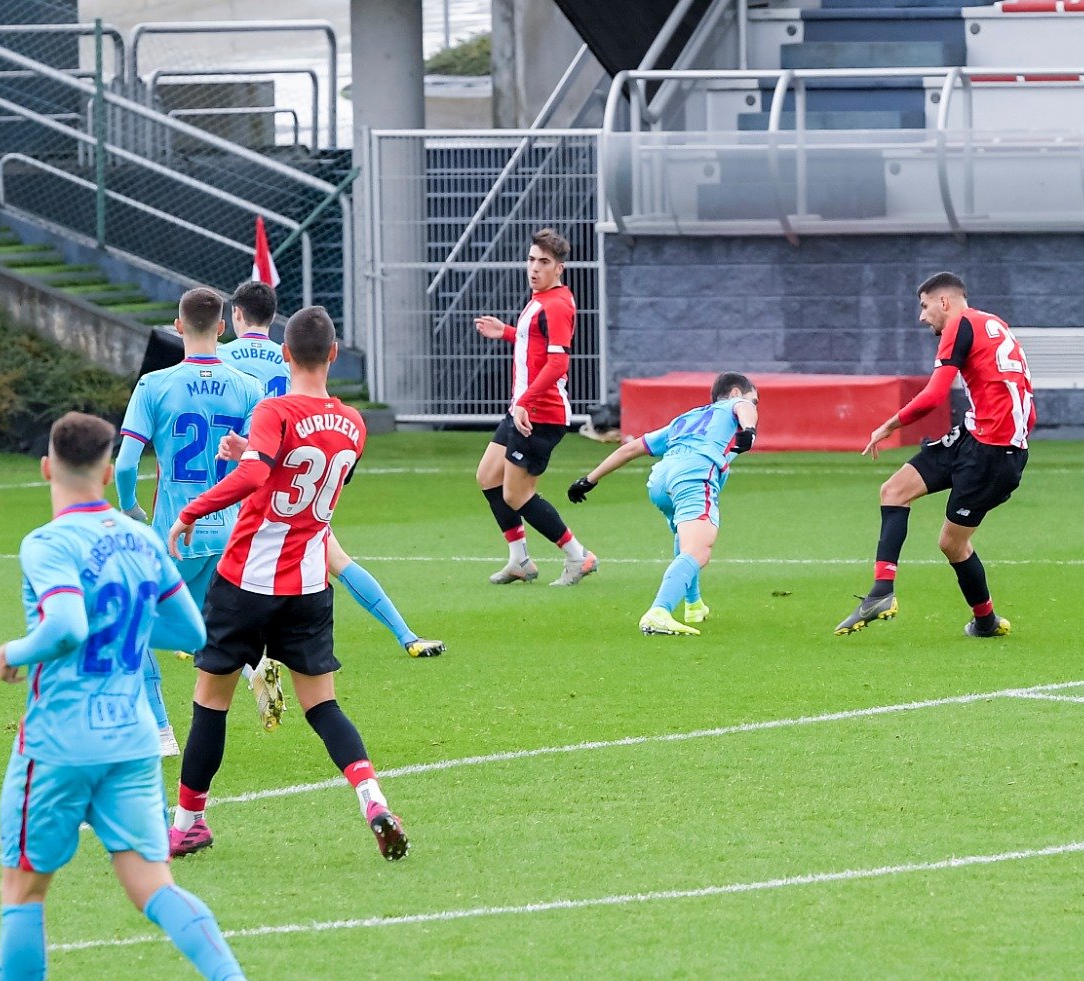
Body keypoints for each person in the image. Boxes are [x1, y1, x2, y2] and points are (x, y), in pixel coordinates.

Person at [0, 412, 285, 981]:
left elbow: (68, 624)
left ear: (48, 468)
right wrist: (129, 626)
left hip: (60, 742)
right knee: (152, 885)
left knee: (23, 891)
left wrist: (14, 652)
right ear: (109, 472)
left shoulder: (47, 543)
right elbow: (190, 629)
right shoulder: (137, 537)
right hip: (132, 737)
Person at [165, 307, 409, 862]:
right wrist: (249, 455)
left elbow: (258, 476)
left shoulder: (274, 408)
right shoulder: (355, 423)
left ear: (283, 353)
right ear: (332, 355)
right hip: (308, 583)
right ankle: (372, 799)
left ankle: (188, 823)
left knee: (210, 702)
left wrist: (191, 513)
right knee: (322, 707)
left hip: (247, 578)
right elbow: (307, 470)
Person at [222, 279, 444, 659]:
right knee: (335, 559)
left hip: (245, 479)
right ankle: (406, 635)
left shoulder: (221, 358)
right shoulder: (293, 355)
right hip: (297, 475)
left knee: (226, 577)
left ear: (236, 315)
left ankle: (236, 661)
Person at [835, 272, 1034, 638]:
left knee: (951, 543)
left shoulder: (959, 323)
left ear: (944, 302)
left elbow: (934, 394)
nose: (922, 316)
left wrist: (889, 425)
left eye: (925, 306)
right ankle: (881, 592)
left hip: (993, 454)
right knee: (893, 490)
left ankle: (986, 622)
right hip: (977, 437)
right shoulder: (992, 323)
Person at [114, 287, 268, 754]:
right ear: (221, 328)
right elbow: (259, 462)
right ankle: (252, 665)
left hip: (177, 534)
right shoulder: (248, 386)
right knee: (205, 625)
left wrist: (130, 508)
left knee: (130, 624)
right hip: (231, 532)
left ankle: (160, 729)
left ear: (178, 326)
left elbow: (124, 464)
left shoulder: (155, 385)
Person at [567, 373, 759, 636]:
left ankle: (694, 604)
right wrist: (750, 429)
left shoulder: (686, 419)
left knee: (685, 537)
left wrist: (589, 479)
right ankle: (659, 611)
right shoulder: (734, 406)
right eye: (754, 400)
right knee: (699, 550)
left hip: (660, 480)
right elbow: (744, 407)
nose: (754, 407)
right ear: (736, 392)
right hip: (692, 477)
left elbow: (630, 449)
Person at [471, 228, 598, 587]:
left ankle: (578, 556)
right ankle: (520, 561)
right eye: (531, 259)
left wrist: (525, 402)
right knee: (487, 476)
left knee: (516, 493)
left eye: (544, 262)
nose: (534, 267)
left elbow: (558, 364)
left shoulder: (556, 304)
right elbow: (535, 342)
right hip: (522, 409)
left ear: (560, 268)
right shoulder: (542, 299)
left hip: (540, 414)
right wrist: (508, 332)